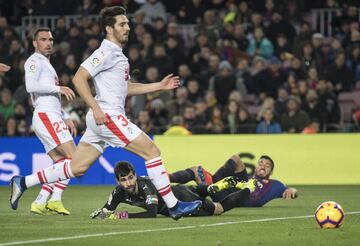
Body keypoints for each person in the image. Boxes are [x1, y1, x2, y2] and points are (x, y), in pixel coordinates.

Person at [10, 6, 201, 220]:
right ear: (109, 29)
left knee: (77, 166)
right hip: (107, 115)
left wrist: (159, 86)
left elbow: (126, 88)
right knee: (152, 151)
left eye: (127, 23)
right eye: (122, 24)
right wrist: (96, 108)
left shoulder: (117, 54)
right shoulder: (105, 52)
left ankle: (24, 182)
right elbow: (79, 78)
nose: (128, 27)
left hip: (101, 119)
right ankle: (174, 206)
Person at [24, 27, 77, 215]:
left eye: (51, 39)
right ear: (34, 43)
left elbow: (50, 98)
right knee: (75, 158)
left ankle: (41, 202)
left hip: (52, 114)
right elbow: (31, 86)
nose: (48, 43)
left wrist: (65, 116)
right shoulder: (34, 61)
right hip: (45, 115)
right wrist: (59, 88)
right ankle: (28, 184)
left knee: (61, 163)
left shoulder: (47, 64)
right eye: (44, 39)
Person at [89, 161, 256, 219]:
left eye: (131, 177)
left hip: (183, 200)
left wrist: (122, 216)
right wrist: (101, 214)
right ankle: (212, 188)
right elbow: (106, 211)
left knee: (218, 209)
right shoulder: (118, 192)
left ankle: (249, 187)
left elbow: (151, 213)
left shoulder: (145, 185)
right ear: (117, 181)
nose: (129, 182)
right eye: (124, 180)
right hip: (179, 190)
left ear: (135, 175)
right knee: (201, 190)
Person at [169, 154, 298, 207]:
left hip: (243, 196)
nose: (263, 166)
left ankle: (213, 182)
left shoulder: (274, 185)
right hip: (227, 193)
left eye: (267, 165)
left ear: (271, 172)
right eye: (261, 163)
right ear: (256, 166)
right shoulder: (248, 178)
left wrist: (292, 191)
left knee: (236, 159)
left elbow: (291, 190)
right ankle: (167, 178)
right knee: (197, 170)